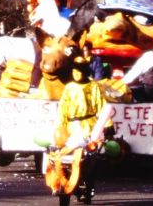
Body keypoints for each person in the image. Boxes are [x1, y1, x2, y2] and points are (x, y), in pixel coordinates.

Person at [56, 57, 108, 204]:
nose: (76, 74)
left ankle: (88, 185)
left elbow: (102, 106)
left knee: (90, 159)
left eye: (78, 71)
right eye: (74, 71)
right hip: (72, 128)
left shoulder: (93, 86)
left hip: (89, 127)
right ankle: (68, 185)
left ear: (84, 72)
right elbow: (62, 109)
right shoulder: (69, 87)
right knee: (64, 157)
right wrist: (61, 127)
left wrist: (108, 124)